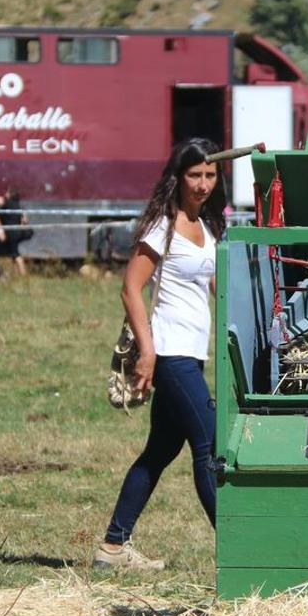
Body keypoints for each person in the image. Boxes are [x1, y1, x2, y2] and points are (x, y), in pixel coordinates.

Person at [95, 138, 225, 571]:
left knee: (159, 452)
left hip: (192, 351)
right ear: (178, 176)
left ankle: (113, 548)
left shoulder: (206, 226)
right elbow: (130, 288)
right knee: (209, 445)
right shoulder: (162, 227)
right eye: (195, 175)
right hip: (170, 353)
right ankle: (236, 547)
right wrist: (147, 352)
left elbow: (210, 285)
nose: (203, 184)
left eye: (210, 175)